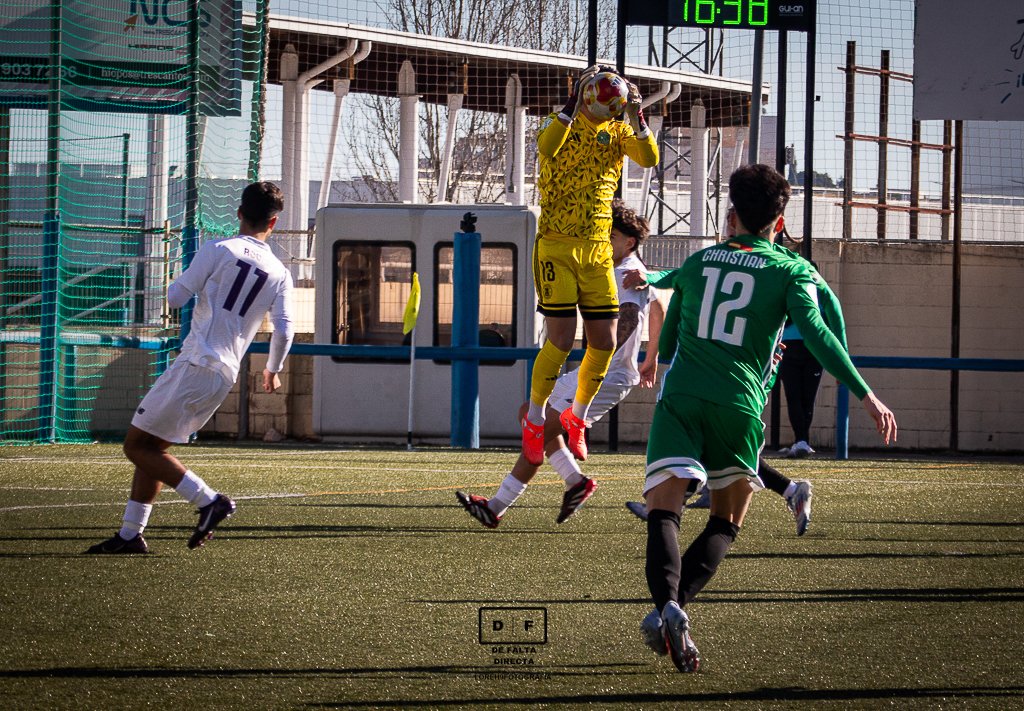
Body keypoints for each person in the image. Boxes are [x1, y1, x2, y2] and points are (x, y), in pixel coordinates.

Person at [639, 164, 896, 672]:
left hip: (682, 397)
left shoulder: (700, 260)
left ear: (731, 214)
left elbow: (668, 311)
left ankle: (667, 605)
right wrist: (865, 393)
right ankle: (674, 608)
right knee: (726, 520)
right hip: (738, 406)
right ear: (779, 223)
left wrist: (656, 358)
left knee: (664, 511)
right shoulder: (792, 271)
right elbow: (821, 335)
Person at [86, 181, 295, 554]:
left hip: (198, 361)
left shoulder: (219, 248)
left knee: (135, 445)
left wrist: (175, 281)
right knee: (153, 446)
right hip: (223, 374)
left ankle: (209, 500)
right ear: (274, 222)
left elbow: (177, 297)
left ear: (239, 214)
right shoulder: (280, 272)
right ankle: (131, 535)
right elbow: (285, 329)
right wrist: (272, 369)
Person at [458, 200, 664, 527]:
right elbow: (657, 309)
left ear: (629, 242)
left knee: (537, 433)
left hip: (605, 377)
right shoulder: (625, 268)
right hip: (597, 373)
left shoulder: (627, 273)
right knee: (530, 413)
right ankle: (575, 481)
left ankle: (496, 507)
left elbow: (627, 320)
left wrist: (613, 358)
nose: (601, 241)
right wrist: (649, 358)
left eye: (609, 237)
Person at [521, 65, 659, 469]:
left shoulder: (617, 133)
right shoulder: (557, 123)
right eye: (600, 95)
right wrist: (573, 99)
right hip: (557, 247)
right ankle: (533, 420)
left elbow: (649, 157)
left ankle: (577, 418)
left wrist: (636, 115)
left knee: (603, 340)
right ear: (584, 96)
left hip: (597, 249)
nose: (607, 104)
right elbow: (547, 147)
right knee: (561, 339)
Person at [779, 309, 823, 458]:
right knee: (793, 395)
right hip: (788, 346)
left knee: (808, 397)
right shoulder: (785, 289)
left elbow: (833, 322)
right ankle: (801, 440)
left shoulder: (821, 293)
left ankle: (803, 441)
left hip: (813, 346)